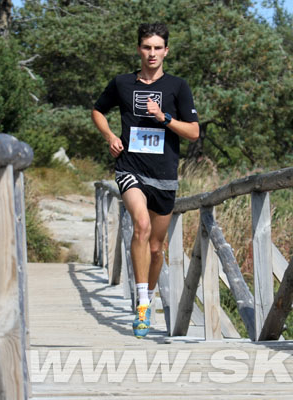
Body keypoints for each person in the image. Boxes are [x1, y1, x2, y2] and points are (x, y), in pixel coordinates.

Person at [92, 22, 199, 338]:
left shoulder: (178, 86)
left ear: (166, 51)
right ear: (139, 49)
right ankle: (141, 306)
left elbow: (193, 132)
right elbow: (98, 111)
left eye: (157, 48)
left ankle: (148, 297)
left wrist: (165, 118)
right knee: (141, 224)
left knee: (155, 248)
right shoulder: (122, 83)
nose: (152, 53)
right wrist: (110, 136)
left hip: (164, 174)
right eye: (146, 47)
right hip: (130, 168)